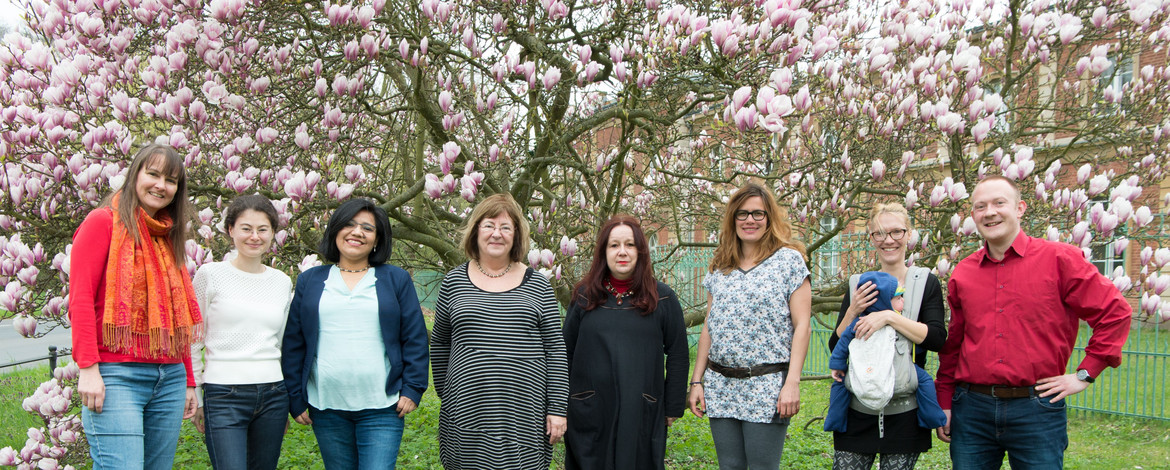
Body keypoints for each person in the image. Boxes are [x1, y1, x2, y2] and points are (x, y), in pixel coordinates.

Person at [936, 175, 1131, 469]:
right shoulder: (964, 273)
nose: (990, 212)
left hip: (1037, 409)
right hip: (972, 409)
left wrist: (1084, 374)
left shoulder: (1060, 260)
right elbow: (954, 344)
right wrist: (945, 401)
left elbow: (1115, 312)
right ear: (973, 215)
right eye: (980, 206)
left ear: (1020, 208)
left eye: (999, 203)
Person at [68, 144, 202, 469]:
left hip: (169, 378)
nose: (161, 185)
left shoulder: (167, 236)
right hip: (117, 375)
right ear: (135, 175)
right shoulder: (102, 222)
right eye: (153, 174)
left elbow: (174, 314)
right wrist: (87, 369)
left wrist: (186, 379)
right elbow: (81, 298)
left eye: (170, 180)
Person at [281, 198, 429, 470]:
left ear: (377, 240)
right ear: (335, 231)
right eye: (349, 224)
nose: (357, 232)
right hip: (326, 407)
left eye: (367, 228)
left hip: (383, 406)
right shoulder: (310, 280)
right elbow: (294, 342)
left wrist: (413, 387)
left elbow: (415, 337)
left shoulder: (395, 279)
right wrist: (295, 397)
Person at [431, 193, 569, 470]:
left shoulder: (539, 286)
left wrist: (556, 409)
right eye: (489, 225)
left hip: (523, 413)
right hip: (466, 411)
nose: (497, 234)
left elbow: (555, 350)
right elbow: (440, 343)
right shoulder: (453, 282)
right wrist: (451, 394)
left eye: (506, 227)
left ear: (516, 235)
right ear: (475, 231)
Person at [687, 182, 812, 470]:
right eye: (742, 214)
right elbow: (709, 325)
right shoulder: (721, 265)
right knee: (729, 467)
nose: (749, 220)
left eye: (758, 213)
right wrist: (697, 381)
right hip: (722, 383)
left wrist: (792, 382)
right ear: (733, 219)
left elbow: (802, 325)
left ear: (770, 218)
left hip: (766, 385)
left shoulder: (789, 261)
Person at [827, 203, 948, 470]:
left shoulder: (924, 282)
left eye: (896, 232)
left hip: (905, 410)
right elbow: (836, 344)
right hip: (858, 409)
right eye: (879, 233)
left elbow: (937, 339)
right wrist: (854, 310)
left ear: (909, 235)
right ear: (871, 237)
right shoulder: (859, 282)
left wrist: (891, 317)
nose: (888, 240)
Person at [562, 215, 689, 470]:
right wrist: (560, 404)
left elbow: (677, 352)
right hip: (590, 410)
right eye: (614, 245)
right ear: (603, 251)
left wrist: (672, 405)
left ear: (641, 250)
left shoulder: (662, 298)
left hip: (642, 409)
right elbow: (565, 352)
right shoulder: (584, 296)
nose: (623, 252)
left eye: (630, 245)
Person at [189, 195, 292, 470]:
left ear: (273, 233)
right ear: (230, 230)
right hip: (223, 394)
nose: (254, 236)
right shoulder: (210, 275)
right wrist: (196, 393)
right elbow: (192, 339)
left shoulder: (282, 282)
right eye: (246, 228)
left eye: (263, 229)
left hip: (273, 394)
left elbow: (281, 343)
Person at [825, 271, 947, 439]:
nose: (903, 300)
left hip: (897, 374)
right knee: (840, 385)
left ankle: (932, 415)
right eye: (898, 298)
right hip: (864, 369)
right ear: (884, 300)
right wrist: (837, 364)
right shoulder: (860, 321)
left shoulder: (899, 319)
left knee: (924, 381)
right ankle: (835, 419)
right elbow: (841, 343)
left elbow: (925, 341)